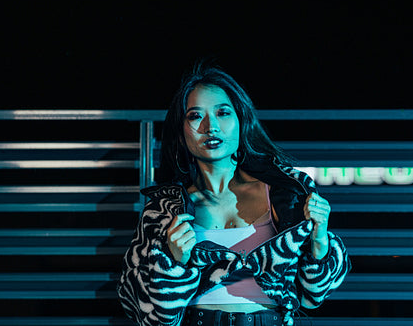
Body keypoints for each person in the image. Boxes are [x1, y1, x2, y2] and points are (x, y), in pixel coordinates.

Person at [117, 63, 351, 326]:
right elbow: (151, 317)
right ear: (181, 134)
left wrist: (319, 240)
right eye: (195, 116)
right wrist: (174, 263)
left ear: (241, 121)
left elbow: (314, 296)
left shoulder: (287, 193)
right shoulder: (163, 210)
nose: (210, 127)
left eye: (223, 112)